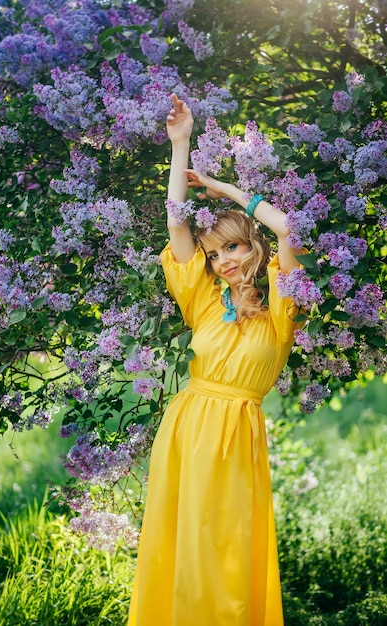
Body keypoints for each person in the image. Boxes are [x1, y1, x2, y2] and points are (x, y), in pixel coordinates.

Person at [127, 94, 303, 626]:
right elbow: (177, 226)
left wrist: (226, 191)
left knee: (225, 555)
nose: (223, 262)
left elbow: (288, 228)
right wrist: (180, 144)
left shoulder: (280, 310)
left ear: (253, 247)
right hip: (186, 428)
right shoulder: (205, 300)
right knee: (179, 548)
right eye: (215, 253)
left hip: (237, 437)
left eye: (233, 249)